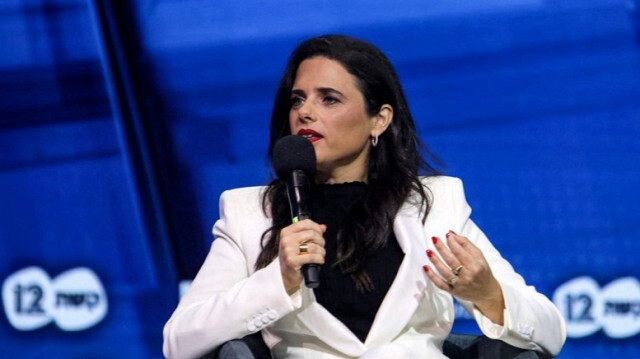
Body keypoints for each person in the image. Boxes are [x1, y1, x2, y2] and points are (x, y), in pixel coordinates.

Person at [162, 34, 566, 359]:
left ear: (380, 119)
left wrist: (489, 295)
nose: (305, 112)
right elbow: (179, 341)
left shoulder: (433, 206)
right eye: (297, 99)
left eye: (329, 99)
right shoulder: (253, 214)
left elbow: (551, 330)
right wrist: (279, 280)